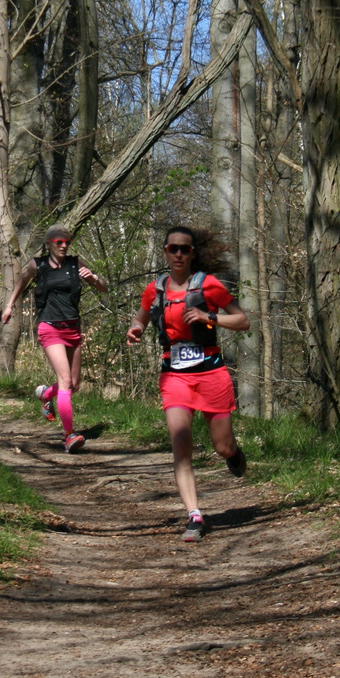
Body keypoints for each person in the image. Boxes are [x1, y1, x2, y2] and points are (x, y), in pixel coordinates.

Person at [127, 225, 249, 542]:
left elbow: (242, 320)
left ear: (193, 253)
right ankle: (194, 514)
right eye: (173, 249)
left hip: (211, 374)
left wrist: (210, 318)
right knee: (181, 445)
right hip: (174, 376)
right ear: (165, 252)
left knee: (221, 446)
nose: (178, 254)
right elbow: (140, 317)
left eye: (185, 249)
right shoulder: (155, 290)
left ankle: (234, 454)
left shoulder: (208, 285)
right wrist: (136, 329)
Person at [1, 225, 107, 453]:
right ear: (49, 244)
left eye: (67, 242)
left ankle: (46, 394)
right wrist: (9, 305)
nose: (64, 246)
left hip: (73, 328)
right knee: (65, 380)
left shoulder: (75, 264)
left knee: (73, 385)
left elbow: (103, 288)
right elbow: (21, 282)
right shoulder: (37, 265)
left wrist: (95, 278)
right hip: (50, 327)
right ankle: (69, 435)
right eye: (59, 242)